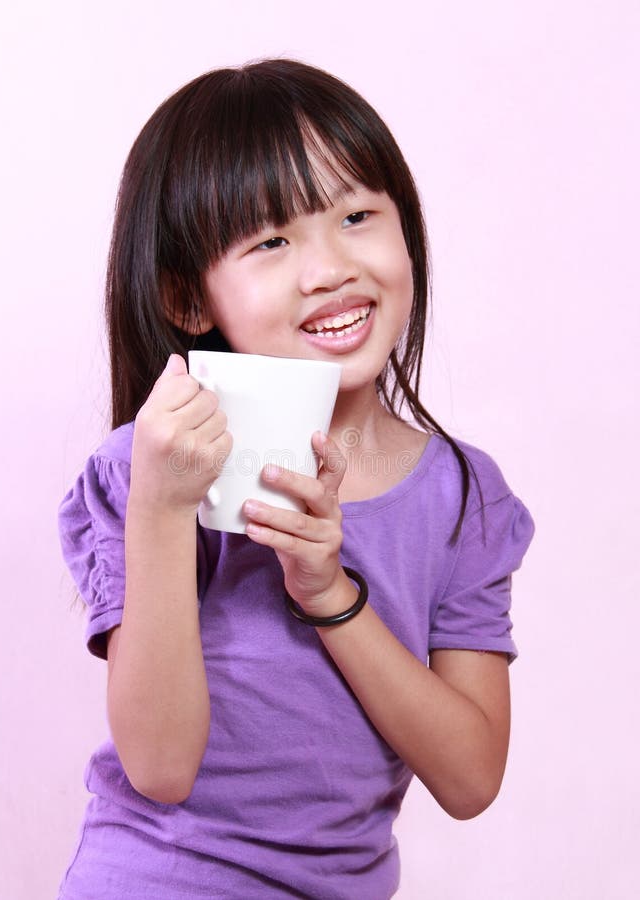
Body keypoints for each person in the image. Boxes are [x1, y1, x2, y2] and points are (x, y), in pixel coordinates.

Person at [56, 58, 535, 899]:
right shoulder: (147, 468)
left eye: (357, 216)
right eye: (272, 241)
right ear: (188, 299)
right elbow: (160, 766)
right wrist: (163, 508)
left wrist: (329, 593)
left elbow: (469, 778)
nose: (329, 268)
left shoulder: (462, 496)